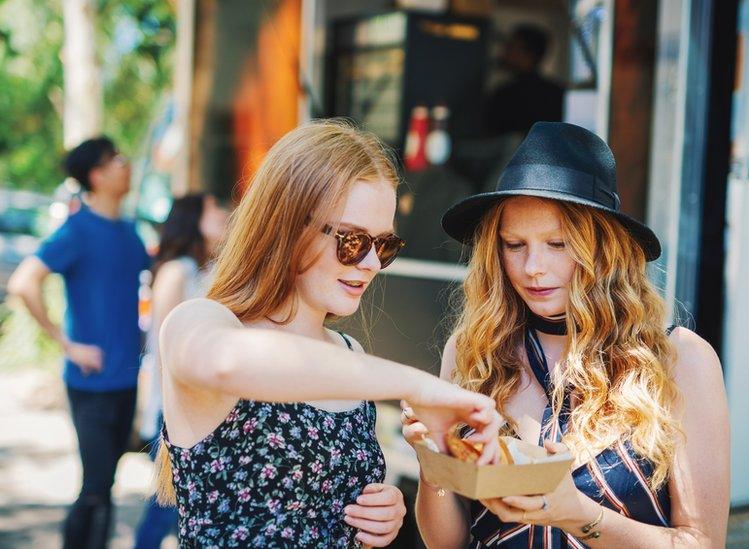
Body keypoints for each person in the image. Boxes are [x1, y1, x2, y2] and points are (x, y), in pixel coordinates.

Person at [153, 119, 504, 548]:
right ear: (288, 224)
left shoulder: (347, 350)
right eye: (354, 241)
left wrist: (384, 512)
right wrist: (419, 386)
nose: (373, 263)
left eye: (385, 245)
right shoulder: (201, 321)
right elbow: (226, 362)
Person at [403, 122, 730, 547]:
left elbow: (703, 543)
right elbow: (446, 543)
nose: (532, 267)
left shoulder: (678, 359)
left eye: (557, 244)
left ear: (604, 247)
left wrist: (578, 516)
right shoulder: (471, 353)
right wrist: (435, 458)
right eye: (513, 244)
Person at [7, 137, 151, 549]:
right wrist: (66, 344)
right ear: (97, 175)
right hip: (90, 385)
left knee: (104, 486)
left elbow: (154, 270)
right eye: (117, 160)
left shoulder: (128, 232)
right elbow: (23, 282)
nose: (127, 165)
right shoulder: (77, 230)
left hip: (125, 381)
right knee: (95, 488)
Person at [134, 193, 228, 549]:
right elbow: (164, 347)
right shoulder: (177, 271)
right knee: (167, 510)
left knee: (187, 514)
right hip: (175, 409)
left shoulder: (206, 269)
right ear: (193, 219)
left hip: (200, 407)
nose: (222, 213)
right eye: (213, 208)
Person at [482, 24, 564, 137]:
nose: (503, 52)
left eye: (510, 47)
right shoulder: (558, 92)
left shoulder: (505, 95)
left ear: (529, 54)